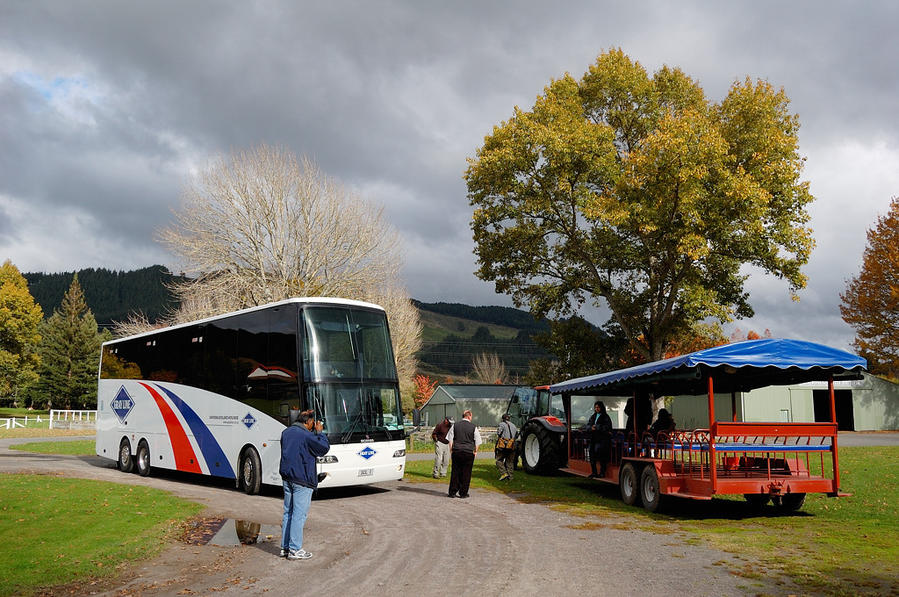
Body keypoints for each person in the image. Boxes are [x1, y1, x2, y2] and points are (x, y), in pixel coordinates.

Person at [279, 409, 330, 561]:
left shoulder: (286, 433)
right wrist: (320, 433)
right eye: (312, 423)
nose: (313, 426)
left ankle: (285, 547)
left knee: (288, 512)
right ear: (308, 422)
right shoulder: (307, 435)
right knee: (299, 515)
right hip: (302, 479)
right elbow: (323, 449)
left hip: (287, 477)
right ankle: (295, 549)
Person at [446, 409, 481, 499]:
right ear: (469, 416)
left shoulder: (455, 425)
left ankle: (452, 492)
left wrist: (451, 449)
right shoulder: (473, 427)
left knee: (455, 471)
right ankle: (463, 492)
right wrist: (475, 451)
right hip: (468, 452)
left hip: (457, 450)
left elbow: (450, 439)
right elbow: (477, 441)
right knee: (466, 473)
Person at [586, 401, 613, 478]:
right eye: (595, 407)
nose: (596, 409)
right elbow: (587, 426)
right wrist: (591, 428)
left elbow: (608, 427)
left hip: (602, 440)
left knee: (601, 455)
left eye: (598, 407)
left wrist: (597, 427)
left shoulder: (605, 417)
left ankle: (602, 472)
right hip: (593, 439)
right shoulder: (593, 416)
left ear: (601, 407)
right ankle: (594, 472)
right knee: (592, 455)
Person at [494, 413, 518, 481]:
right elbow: (516, 435)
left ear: (503, 419)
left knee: (499, 460)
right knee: (510, 462)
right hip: (512, 445)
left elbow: (499, 433)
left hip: (503, 446)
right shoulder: (514, 425)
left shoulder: (501, 424)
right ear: (509, 419)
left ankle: (504, 473)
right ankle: (510, 478)